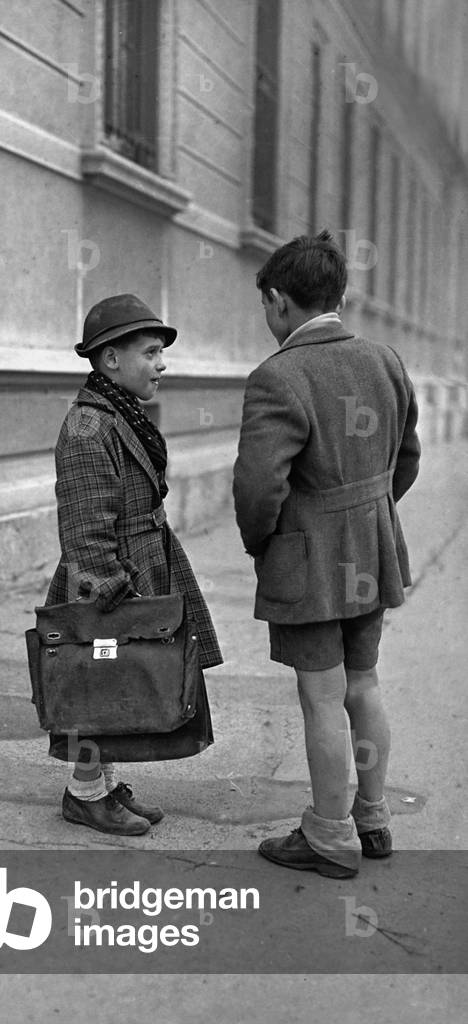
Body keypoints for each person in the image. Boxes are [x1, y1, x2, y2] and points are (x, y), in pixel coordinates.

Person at [233, 230, 421, 878]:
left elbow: (259, 488)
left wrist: (268, 543)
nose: (267, 318)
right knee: (363, 686)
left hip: (309, 565)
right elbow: (408, 460)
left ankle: (329, 835)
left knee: (320, 698)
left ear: (281, 301)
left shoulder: (278, 376)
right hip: (371, 553)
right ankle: (373, 818)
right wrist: (365, 514)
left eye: (267, 305)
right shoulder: (386, 361)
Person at [45, 293, 223, 835]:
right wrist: (113, 596)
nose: (161, 364)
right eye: (150, 352)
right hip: (111, 578)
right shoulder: (87, 429)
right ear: (110, 359)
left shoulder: (118, 414)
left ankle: (98, 785)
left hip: (141, 560)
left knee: (122, 682)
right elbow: (83, 529)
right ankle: (84, 792)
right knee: (102, 681)